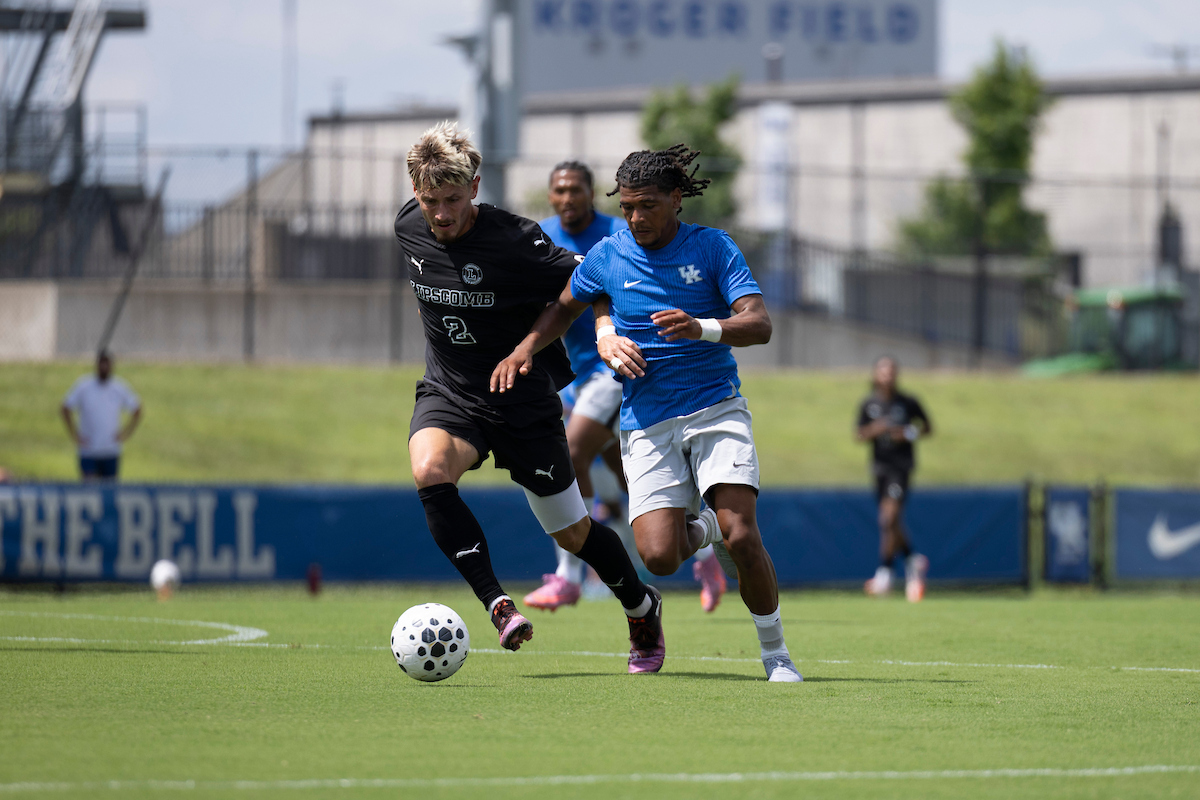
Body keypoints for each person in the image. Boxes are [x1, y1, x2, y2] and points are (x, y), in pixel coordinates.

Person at [492, 144, 802, 683]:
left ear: (676, 198)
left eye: (648, 206)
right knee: (659, 557)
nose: (636, 218)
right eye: (628, 206)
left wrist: (702, 327)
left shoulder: (713, 247)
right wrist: (525, 350)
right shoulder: (608, 255)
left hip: (715, 408)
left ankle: (776, 655)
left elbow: (759, 324)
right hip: (646, 421)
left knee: (744, 534)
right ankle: (708, 528)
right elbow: (564, 307)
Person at [394, 122, 666, 673]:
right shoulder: (407, 226)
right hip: (450, 391)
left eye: (452, 199)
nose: (441, 214)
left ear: (474, 187)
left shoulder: (514, 238)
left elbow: (593, 279)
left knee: (574, 532)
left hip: (521, 403)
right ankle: (498, 605)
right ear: (415, 193)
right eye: (429, 201)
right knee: (429, 471)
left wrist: (603, 330)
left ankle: (641, 607)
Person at [524, 161, 727, 614]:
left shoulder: (621, 231)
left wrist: (604, 329)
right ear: (551, 196)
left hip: (621, 367)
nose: (567, 198)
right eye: (559, 190)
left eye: (576, 189)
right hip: (577, 375)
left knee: (570, 450)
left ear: (592, 193)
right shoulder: (540, 237)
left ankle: (568, 576)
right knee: (630, 481)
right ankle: (707, 555)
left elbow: (604, 288)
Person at [856, 356, 932, 602]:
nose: (887, 376)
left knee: (887, 518)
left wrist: (908, 433)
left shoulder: (908, 402)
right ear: (876, 375)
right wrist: (875, 429)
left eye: (891, 371)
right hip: (880, 468)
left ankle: (885, 573)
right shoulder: (869, 404)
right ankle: (912, 560)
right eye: (883, 371)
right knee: (892, 521)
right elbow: (859, 434)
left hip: (901, 468)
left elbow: (927, 427)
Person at [61, 350, 142, 481]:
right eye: (101, 363)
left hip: (110, 449)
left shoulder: (118, 388)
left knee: (109, 487)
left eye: (107, 363)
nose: (104, 367)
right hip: (89, 449)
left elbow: (137, 409)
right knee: (90, 485)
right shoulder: (84, 386)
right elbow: (66, 408)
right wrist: (74, 434)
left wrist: (126, 433)